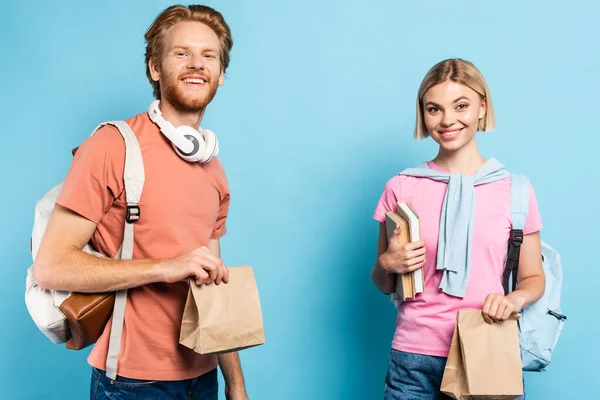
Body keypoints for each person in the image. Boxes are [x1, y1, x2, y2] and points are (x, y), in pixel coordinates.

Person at [33, 5, 249, 400]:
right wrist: (166, 268)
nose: (196, 64)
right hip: (131, 383)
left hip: (203, 380)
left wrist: (235, 384)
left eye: (209, 56)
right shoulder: (112, 146)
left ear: (221, 75)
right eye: (181, 53)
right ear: (155, 67)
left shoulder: (213, 169)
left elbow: (214, 289)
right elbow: (50, 267)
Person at [371, 58, 545, 400]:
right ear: (423, 114)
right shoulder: (401, 187)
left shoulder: (516, 190)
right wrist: (387, 265)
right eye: (434, 109)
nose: (447, 120)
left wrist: (513, 300)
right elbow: (382, 283)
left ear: (482, 107)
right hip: (413, 357)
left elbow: (533, 278)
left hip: (487, 348)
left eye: (461, 106)